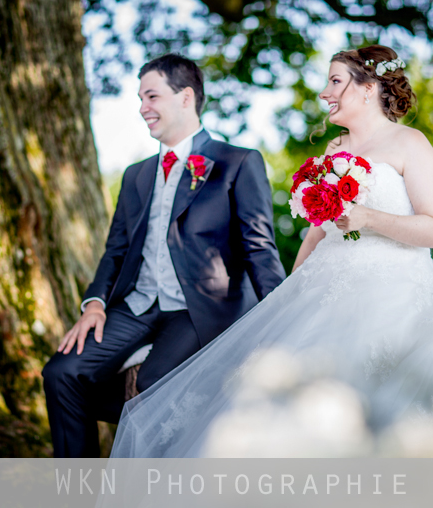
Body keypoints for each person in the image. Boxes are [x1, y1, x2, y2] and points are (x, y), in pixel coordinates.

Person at [108, 45, 433, 458]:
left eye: (335, 82)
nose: (325, 93)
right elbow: (317, 234)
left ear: (368, 89)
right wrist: (286, 297)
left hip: (395, 298)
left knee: (380, 412)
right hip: (323, 293)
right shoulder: (335, 150)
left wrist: (368, 218)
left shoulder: (411, 145)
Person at [42, 54, 286, 457]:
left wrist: (278, 317)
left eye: (151, 96)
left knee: (153, 385)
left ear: (185, 97)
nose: (142, 108)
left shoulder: (237, 162)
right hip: (136, 306)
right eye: (140, 98)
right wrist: (95, 304)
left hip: (199, 310)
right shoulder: (136, 174)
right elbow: (115, 250)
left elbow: (259, 248)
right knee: (61, 373)